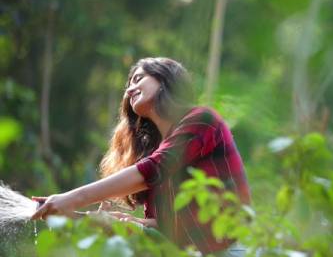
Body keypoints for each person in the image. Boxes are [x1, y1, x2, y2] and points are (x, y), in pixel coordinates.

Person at [31, 57, 251, 256]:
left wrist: (70, 198)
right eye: (128, 85)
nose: (129, 90)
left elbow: (155, 168)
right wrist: (79, 217)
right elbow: (167, 231)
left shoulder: (203, 119)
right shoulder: (156, 151)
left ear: (165, 77)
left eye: (138, 79)